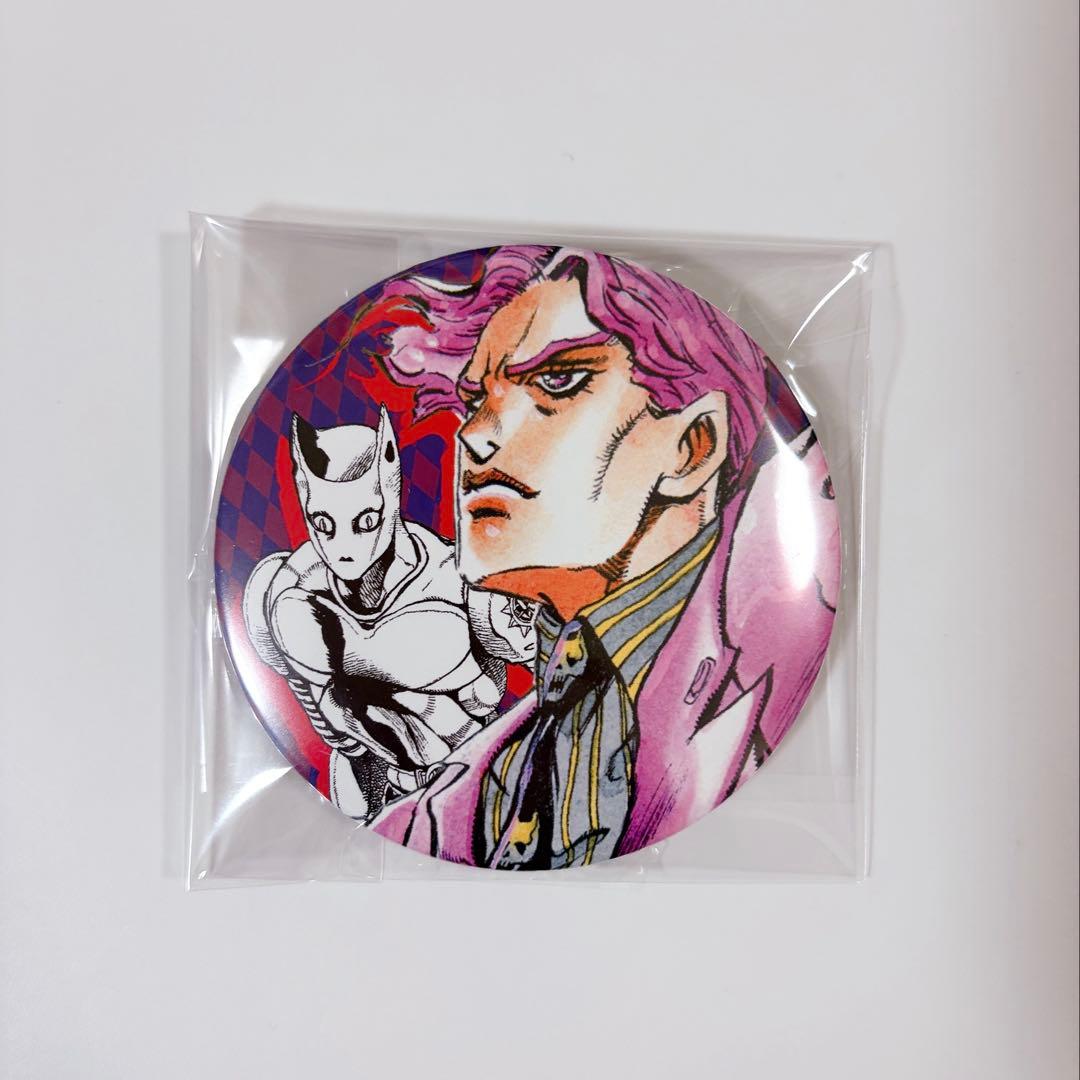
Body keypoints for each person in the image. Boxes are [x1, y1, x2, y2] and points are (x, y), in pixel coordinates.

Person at [370, 246, 839, 867]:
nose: (475, 433)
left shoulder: (790, 631)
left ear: (693, 448)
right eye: (478, 398)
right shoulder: (437, 817)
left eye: (557, 382)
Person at [242, 408, 536, 822]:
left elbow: (553, 667)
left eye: (365, 521)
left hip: (471, 785)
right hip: (358, 796)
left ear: (390, 490)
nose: (343, 548)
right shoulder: (286, 589)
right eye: (323, 524)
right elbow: (318, 708)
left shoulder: (460, 578)